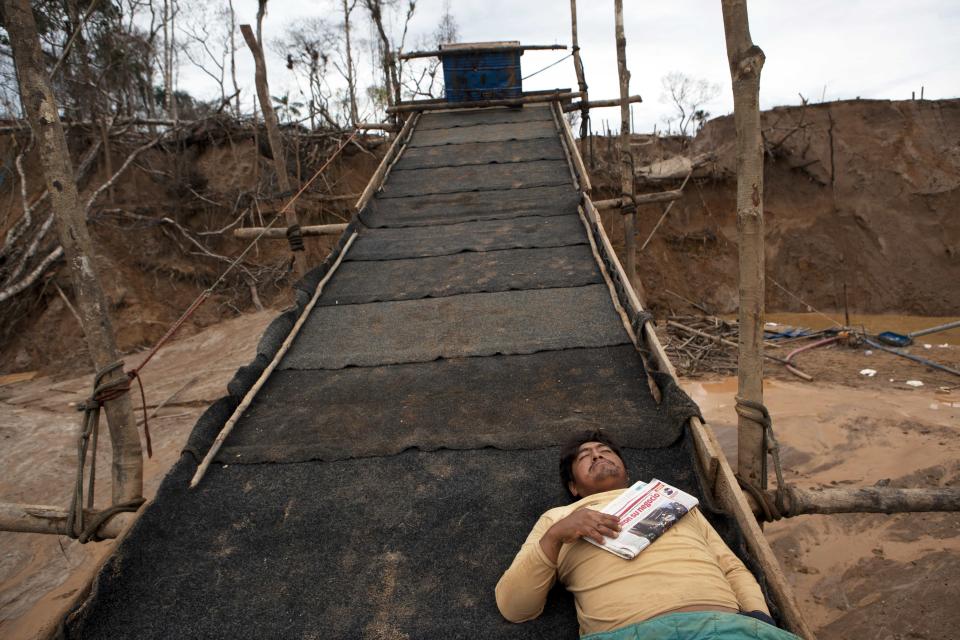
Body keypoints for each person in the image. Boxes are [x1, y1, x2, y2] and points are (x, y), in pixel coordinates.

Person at [495, 430, 801, 639]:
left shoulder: (673, 500)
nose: (598, 456)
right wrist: (555, 536)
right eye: (585, 456)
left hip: (724, 626)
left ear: (627, 473)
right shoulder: (559, 519)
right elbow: (515, 608)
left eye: (605, 451)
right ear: (573, 487)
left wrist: (759, 620)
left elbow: (731, 566)